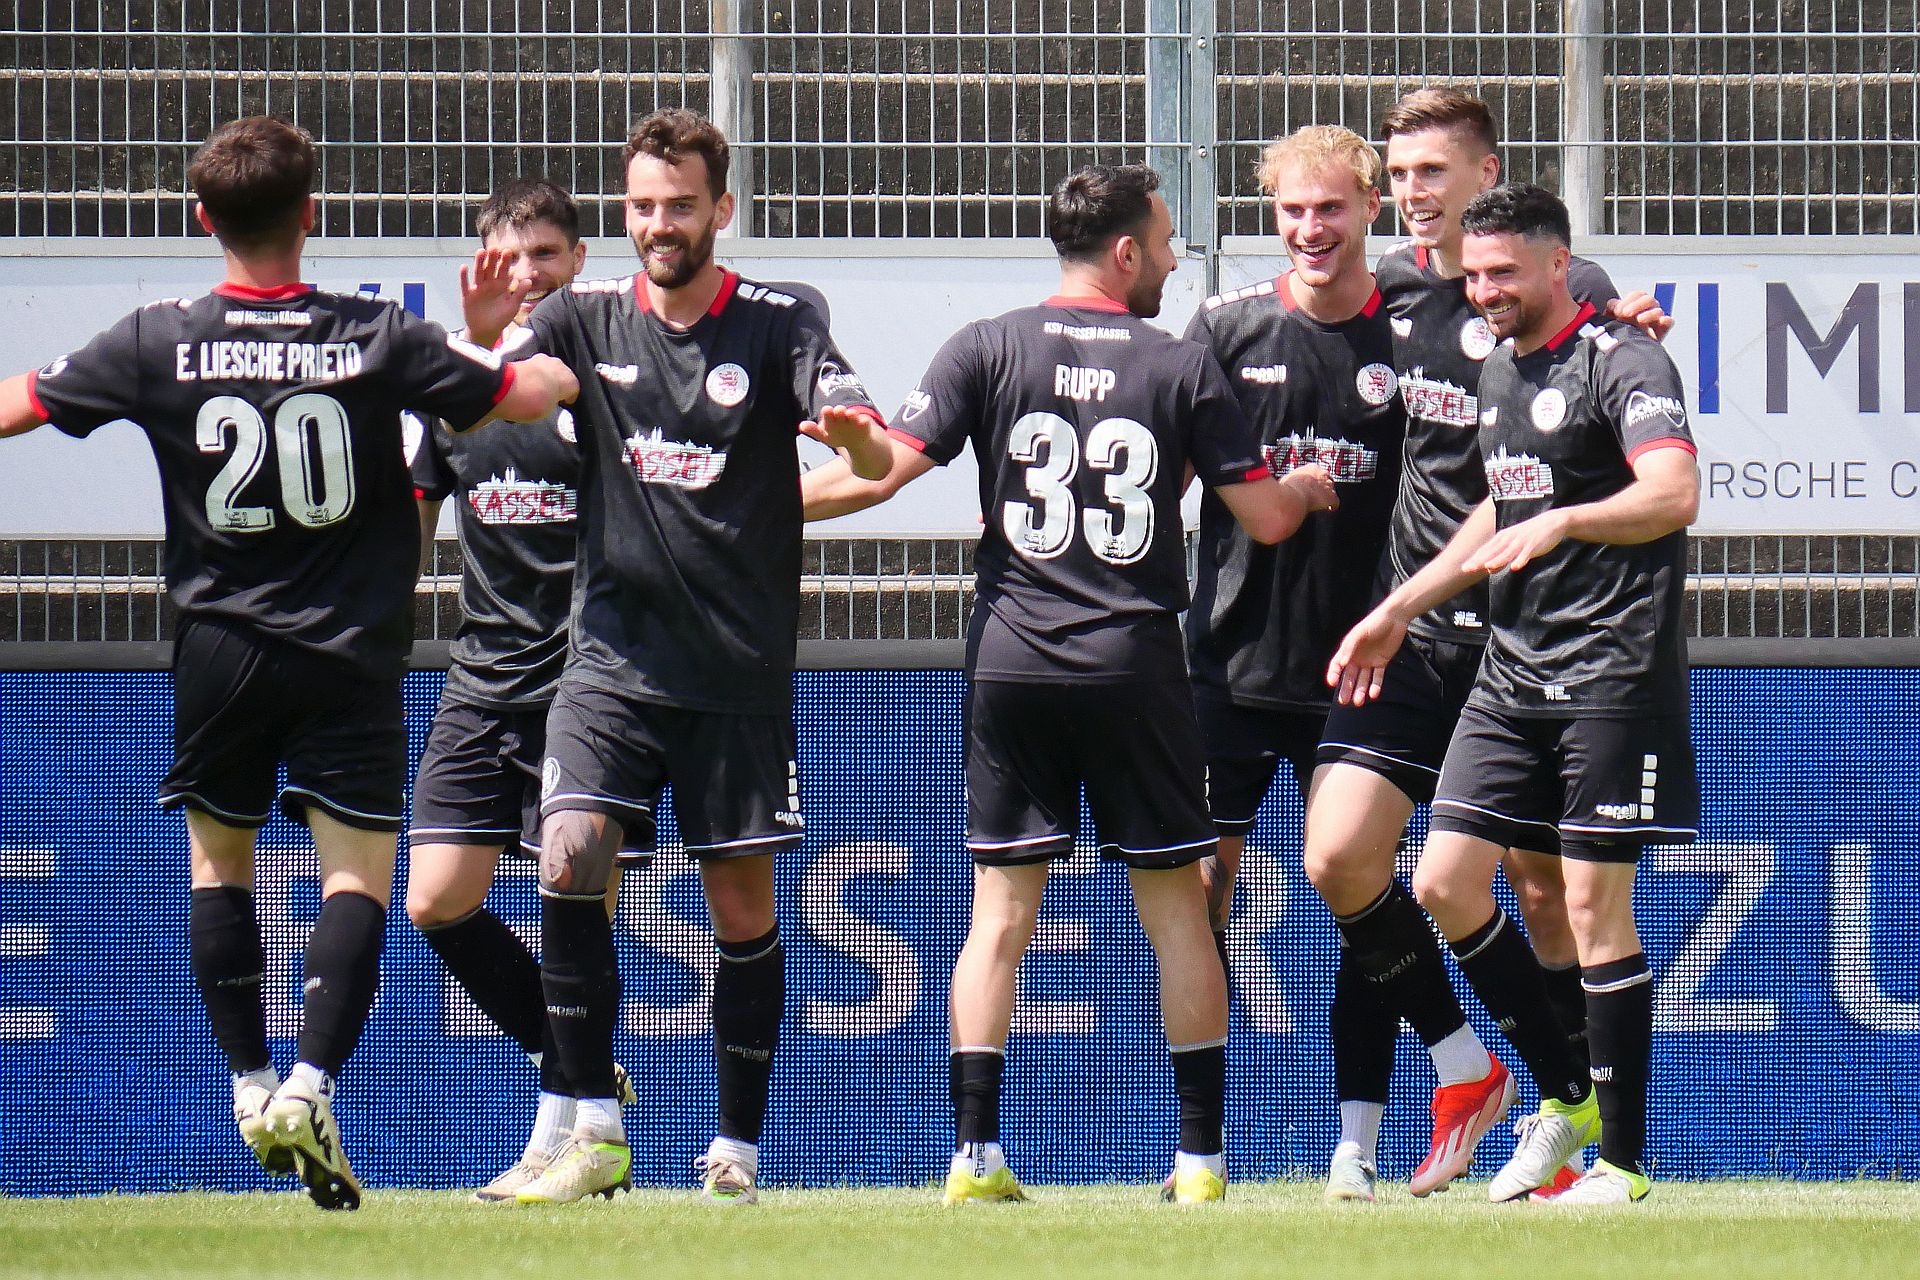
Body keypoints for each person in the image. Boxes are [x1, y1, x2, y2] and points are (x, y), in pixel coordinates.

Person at [0, 117, 576, 1210]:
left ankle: (251, 1084)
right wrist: (514, 353)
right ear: (311, 215)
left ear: (202, 218)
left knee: (219, 867)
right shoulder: (376, 333)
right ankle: (312, 1083)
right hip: (347, 651)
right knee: (355, 879)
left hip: (218, 647)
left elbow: (21, 403)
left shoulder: (157, 338)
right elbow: (526, 395)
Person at [803, 163, 1337, 1205]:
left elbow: (882, 471)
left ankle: (973, 1155)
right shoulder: (1179, 364)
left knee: (998, 912)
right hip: (1134, 664)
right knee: (1177, 911)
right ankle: (1198, 1161)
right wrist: (1308, 487)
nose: (1174, 260)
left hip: (1014, 661)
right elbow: (1267, 518)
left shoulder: (986, 345)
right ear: (1127, 251)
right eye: (1166, 242)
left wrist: (756, 509)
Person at [459, 108, 893, 1206]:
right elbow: (516, 397)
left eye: (682, 206)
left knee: (742, 910)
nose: (661, 224)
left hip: (734, 672)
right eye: (644, 206)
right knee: (568, 857)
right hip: (608, 661)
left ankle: (736, 1144)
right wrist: (486, 353)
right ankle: (593, 1127)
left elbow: (863, 434)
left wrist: (849, 436)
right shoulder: (579, 316)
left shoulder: (781, 321)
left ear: (721, 209)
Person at [1302, 88, 1672, 1199]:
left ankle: (1587, 1132)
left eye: (1433, 172)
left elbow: (1617, 422)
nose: (1414, 193)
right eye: (1399, 175)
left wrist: (1633, 327)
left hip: (1531, 639)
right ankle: (1490, 1071)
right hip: (1421, 631)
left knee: (1552, 895)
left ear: (1487, 176)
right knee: (1341, 855)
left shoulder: (1561, 295)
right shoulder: (1392, 284)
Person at [1180, 126, 1428, 1202]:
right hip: (1228, 664)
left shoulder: (1416, 334)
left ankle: (1355, 1146)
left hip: (1364, 672)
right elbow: (1153, 464)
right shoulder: (1225, 328)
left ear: (1371, 206)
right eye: (1292, 209)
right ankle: (1198, 1150)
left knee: (1358, 894)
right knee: (1200, 892)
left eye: (1331, 207)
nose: (1311, 228)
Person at [404, 178, 651, 1202]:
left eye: (547, 254)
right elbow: (411, 525)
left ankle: (566, 1136)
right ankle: (581, 1066)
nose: (530, 276)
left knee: (574, 897)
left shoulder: (606, 385)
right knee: (434, 898)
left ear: (580, 261)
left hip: (588, 684)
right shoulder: (455, 392)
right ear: (482, 269)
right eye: (510, 260)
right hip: (481, 680)